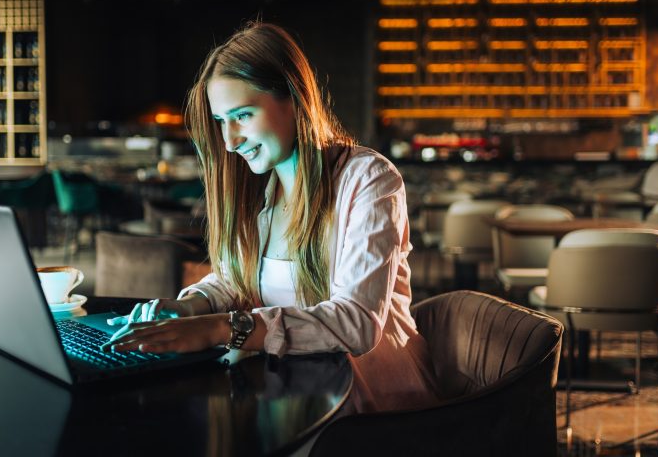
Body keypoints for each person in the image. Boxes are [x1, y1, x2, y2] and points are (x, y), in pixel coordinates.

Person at [103, 21, 439, 413]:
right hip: (296, 394)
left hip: (374, 403)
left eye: (243, 115)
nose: (229, 142)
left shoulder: (368, 179)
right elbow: (235, 279)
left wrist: (220, 327)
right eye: (221, 121)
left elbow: (356, 323)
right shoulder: (265, 185)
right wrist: (188, 307)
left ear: (293, 99)